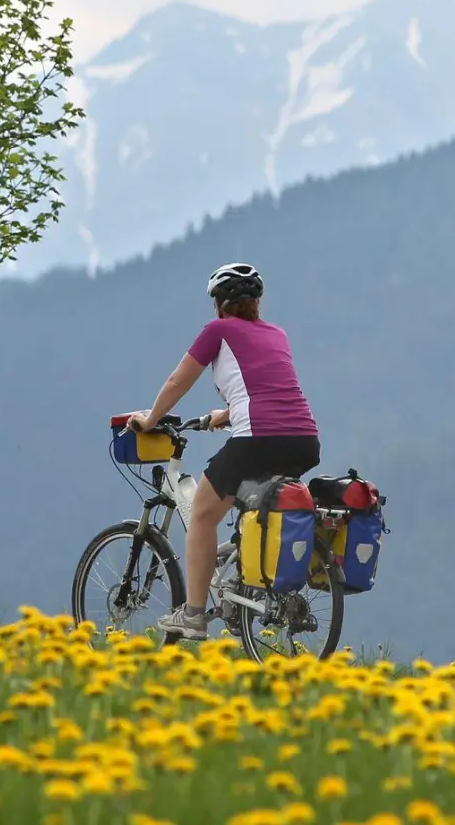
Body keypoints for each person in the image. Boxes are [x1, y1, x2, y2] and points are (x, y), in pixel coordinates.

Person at [127, 262, 321, 640]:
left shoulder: (217, 330)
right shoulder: (276, 334)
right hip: (304, 440)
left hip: (258, 439)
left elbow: (177, 380)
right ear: (257, 303)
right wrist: (226, 414)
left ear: (219, 304)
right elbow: (270, 392)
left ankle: (194, 616)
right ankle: (241, 568)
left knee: (202, 514)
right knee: (254, 506)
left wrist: (150, 420)